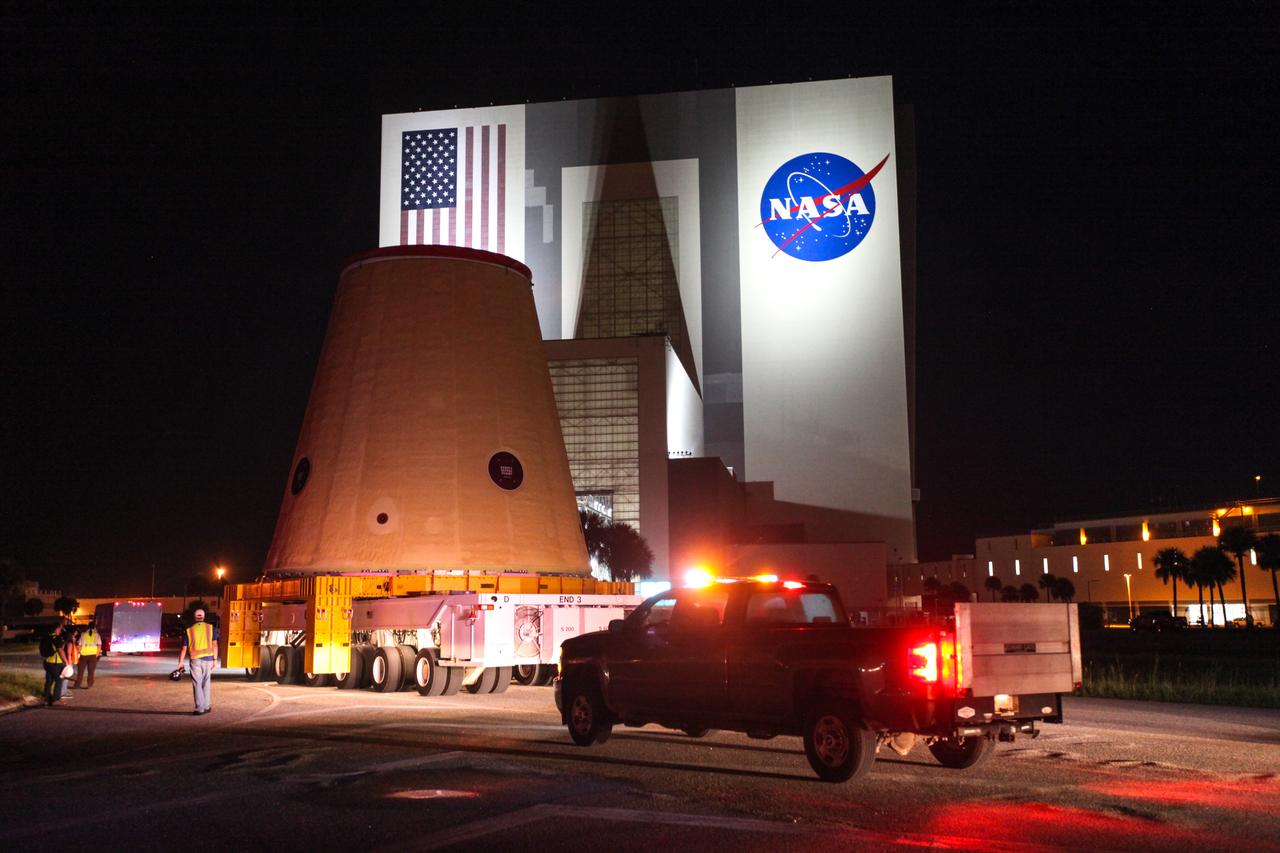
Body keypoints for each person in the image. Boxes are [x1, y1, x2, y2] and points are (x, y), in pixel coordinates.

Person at [177, 608, 218, 715]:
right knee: (206, 682)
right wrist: (215, 659)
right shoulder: (211, 628)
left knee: (197, 683)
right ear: (203, 617)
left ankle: (199, 708)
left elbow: (184, 648)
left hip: (195, 660)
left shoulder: (189, 630)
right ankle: (207, 705)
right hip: (208, 659)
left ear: (194, 617)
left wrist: (180, 662)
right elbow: (214, 644)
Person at [39, 628, 68, 706]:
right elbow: (60, 650)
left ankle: (46, 698)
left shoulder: (46, 637)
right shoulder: (57, 638)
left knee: (49, 681)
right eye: (60, 629)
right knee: (59, 680)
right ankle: (56, 699)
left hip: (47, 662)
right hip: (56, 663)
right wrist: (66, 661)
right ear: (57, 629)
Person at [75, 618, 102, 688]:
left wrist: (79, 653)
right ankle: (89, 685)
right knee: (91, 672)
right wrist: (96, 654)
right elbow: (99, 645)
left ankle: (77, 685)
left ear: (87, 627)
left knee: (80, 671)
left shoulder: (83, 634)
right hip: (93, 656)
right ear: (94, 627)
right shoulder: (97, 635)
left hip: (83, 655)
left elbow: (79, 645)